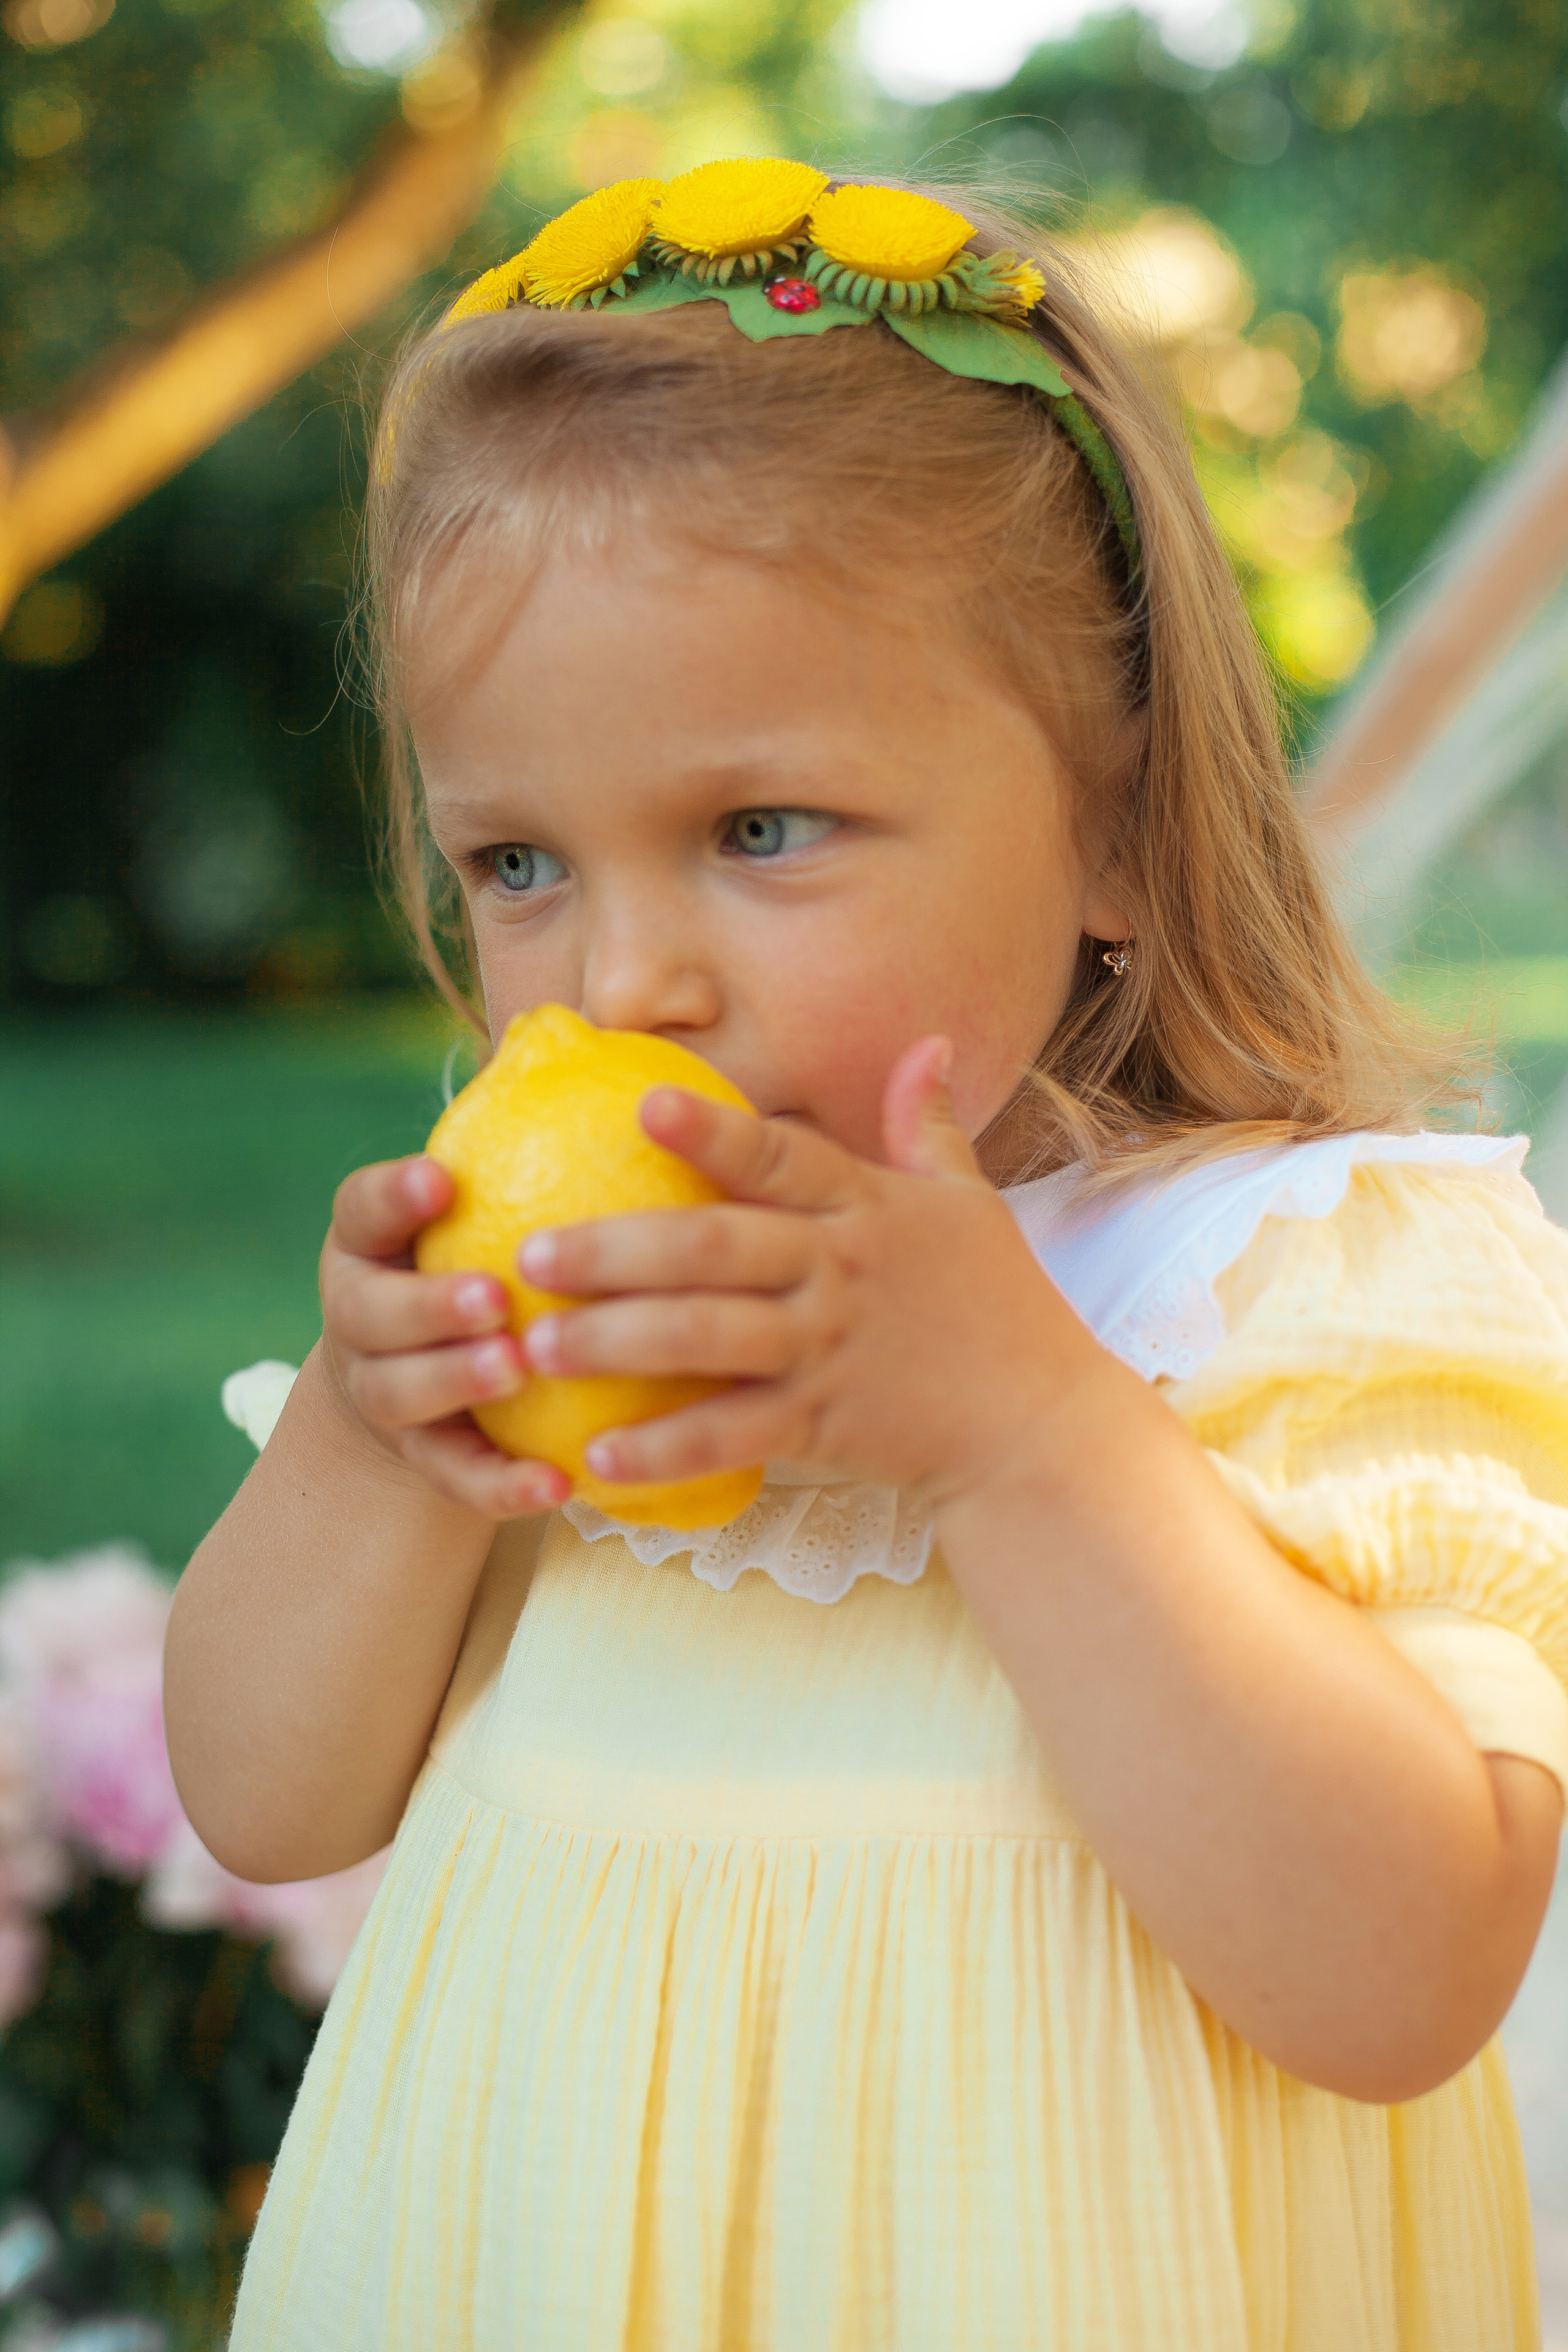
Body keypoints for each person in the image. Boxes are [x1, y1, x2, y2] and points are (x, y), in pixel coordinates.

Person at [164, 162, 1568, 2350]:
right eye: (517, 862)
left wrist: (1022, 1438)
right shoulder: (555, 1306)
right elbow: (264, 1802)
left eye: (759, 830)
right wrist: (372, 1436)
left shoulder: (1288, 1278)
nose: (621, 977)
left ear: (1115, 824)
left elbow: (1400, 1979)